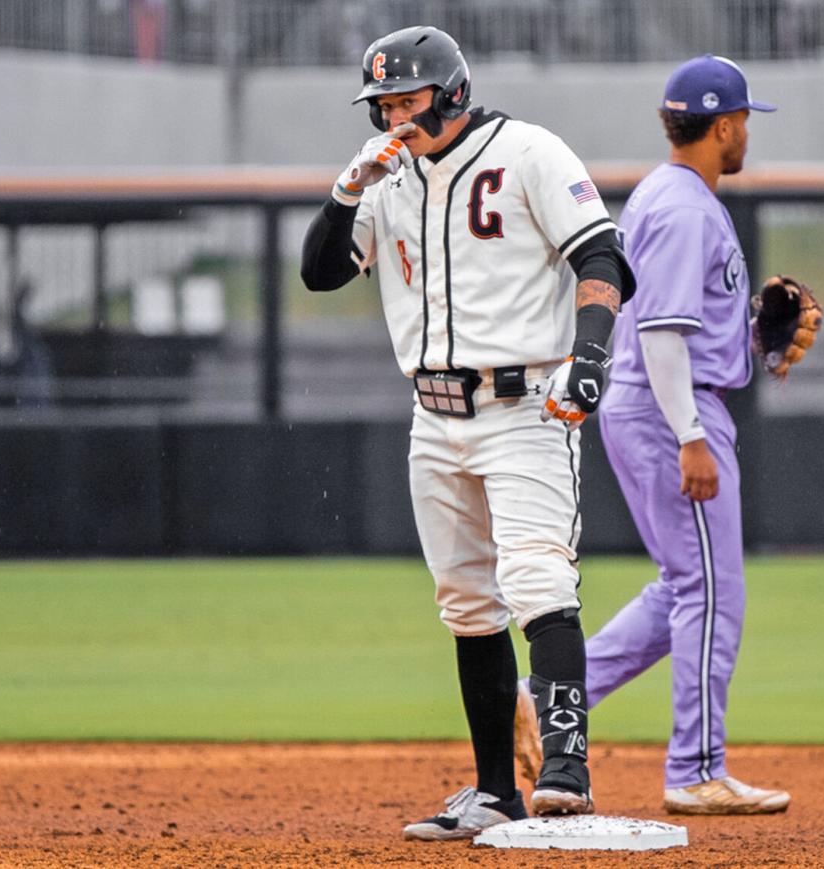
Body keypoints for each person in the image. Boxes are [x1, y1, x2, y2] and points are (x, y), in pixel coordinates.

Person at [299, 25, 635, 840]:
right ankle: (495, 792)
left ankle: (565, 772)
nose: (392, 117)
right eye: (381, 104)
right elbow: (319, 271)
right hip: (434, 414)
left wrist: (590, 356)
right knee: (466, 604)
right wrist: (347, 189)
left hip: (525, 406)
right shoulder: (386, 175)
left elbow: (602, 256)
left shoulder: (529, 152)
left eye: (406, 100)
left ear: (451, 91)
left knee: (537, 580)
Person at [514, 54, 791, 815]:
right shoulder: (683, 207)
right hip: (669, 410)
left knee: (683, 588)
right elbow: (663, 336)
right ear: (725, 125)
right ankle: (696, 768)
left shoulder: (674, 196)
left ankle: (540, 698)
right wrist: (692, 436)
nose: (744, 137)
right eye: (742, 124)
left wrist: (754, 332)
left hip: (663, 403)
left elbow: (680, 324)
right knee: (710, 592)